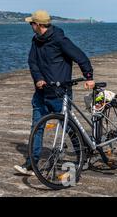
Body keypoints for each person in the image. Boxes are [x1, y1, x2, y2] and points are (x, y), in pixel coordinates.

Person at [14, 10, 95, 176]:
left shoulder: (59, 39)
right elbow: (32, 62)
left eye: (31, 23)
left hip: (59, 92)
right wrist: (38, 78)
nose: (30, 26)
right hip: (41, 93)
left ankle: (82, 156)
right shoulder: (36, 41)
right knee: (36, 127)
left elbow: (80, 56)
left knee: (68, 127)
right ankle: (32, 164)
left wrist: (88, 76)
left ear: (37, 25)